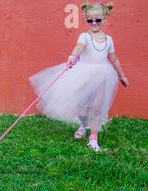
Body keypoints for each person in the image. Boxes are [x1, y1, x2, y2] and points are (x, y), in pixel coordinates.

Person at [29, 1, 129, 152]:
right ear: (86, 20)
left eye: (97, 20)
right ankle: (84, 124)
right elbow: (79, 47)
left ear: (104, 19)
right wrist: (73, 56)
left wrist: (122, 76)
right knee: (82, 105)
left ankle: (93, 140)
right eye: (90, 20)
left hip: (103, 75)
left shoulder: (109, 40)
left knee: (97, 106)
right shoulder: (85, 36)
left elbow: (114, 59)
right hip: (84, 73)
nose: (94, 23)